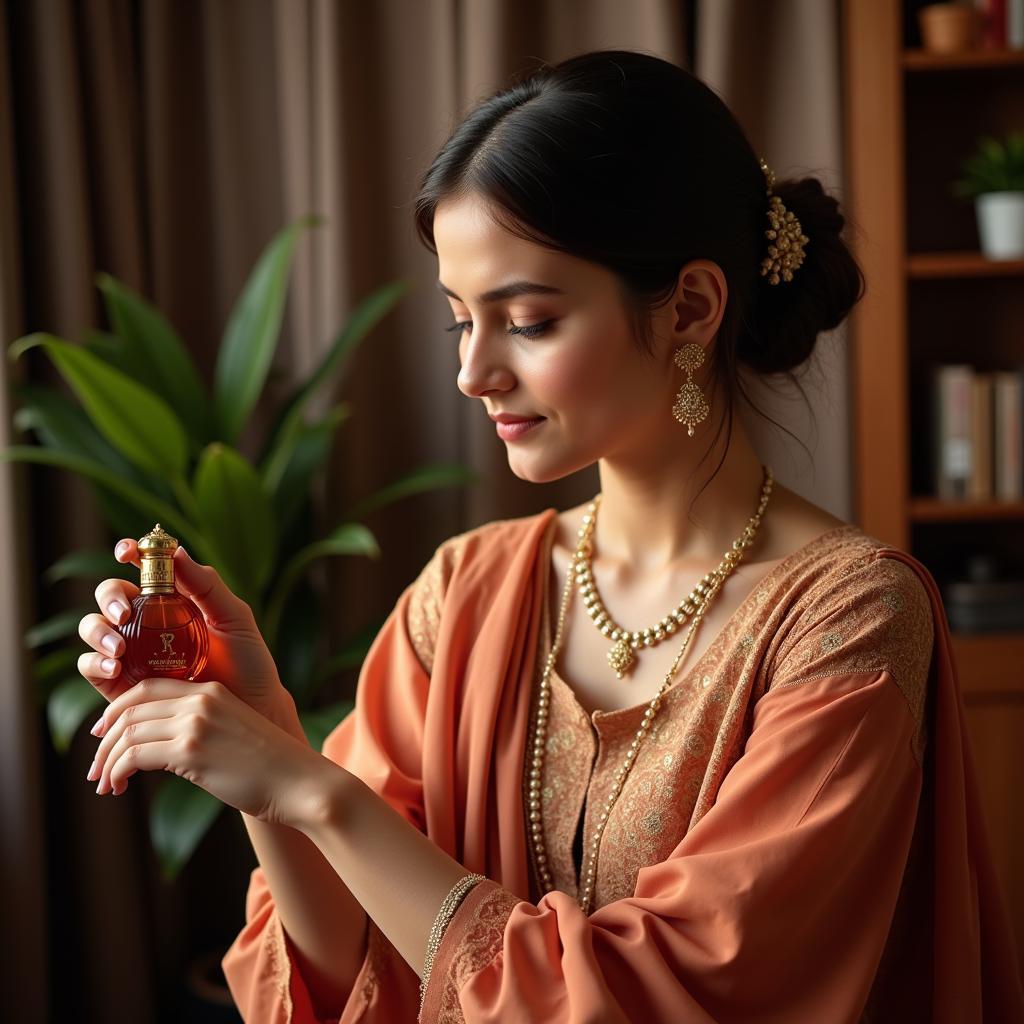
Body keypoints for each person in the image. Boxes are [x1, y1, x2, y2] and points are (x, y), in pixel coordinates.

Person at [77, 50, 1023, 1022]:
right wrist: (264, 737)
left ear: (690, 307)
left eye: (525, 320)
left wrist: (319, 792)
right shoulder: (465, 591)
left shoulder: (852, 621)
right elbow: (350, 976)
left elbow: (677, 994)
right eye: (459, 324)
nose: (473, 372)